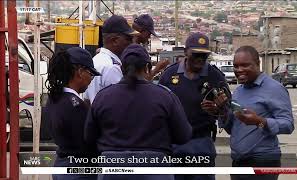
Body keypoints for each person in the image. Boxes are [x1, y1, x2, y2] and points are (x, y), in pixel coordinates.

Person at [85, 44, 192, 180]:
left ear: (121, 68)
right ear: (147, 67)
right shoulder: (165, 96)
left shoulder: (103, 97)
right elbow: (184, 135)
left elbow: (89, 137)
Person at [159, 32, 230, 180]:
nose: (200, 59)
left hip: (201, 142)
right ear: (185, 52)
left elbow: (227, 112)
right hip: (174, 144)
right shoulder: (169, 74)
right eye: (195, 54)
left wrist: (218, 109)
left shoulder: (215, 76)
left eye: (204, 55)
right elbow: (159, 108)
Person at [222, 46, 294, 180]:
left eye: (245, 65)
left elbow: (288, 125)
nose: (239, 70)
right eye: (236, 66)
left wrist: (260, 121)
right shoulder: (238, 92)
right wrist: (221, 112)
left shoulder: (274, 88)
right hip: (238, 161)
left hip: (263, 160)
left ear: (257, 64)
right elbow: (234, 129)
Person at [45, 47, 101, 180]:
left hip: (61, 165)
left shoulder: (53, 99)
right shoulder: (76, 105)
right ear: (80, 72)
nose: (92, 79)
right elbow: (87, 143)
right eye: (91, 74)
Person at [84, 15, 138, 104]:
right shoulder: (111, 67)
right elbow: (120, 103)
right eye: (128, 39)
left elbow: (87, 100)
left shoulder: (96, 59)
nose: (132, 43)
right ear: (115, 41)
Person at [132, 13, 170, 81]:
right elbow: (143, 82)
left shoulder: (128, 47)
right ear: (141, 30)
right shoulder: (135, 51)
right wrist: (157, 69)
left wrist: (153, 63)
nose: (149, 37)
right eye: (149, 33)